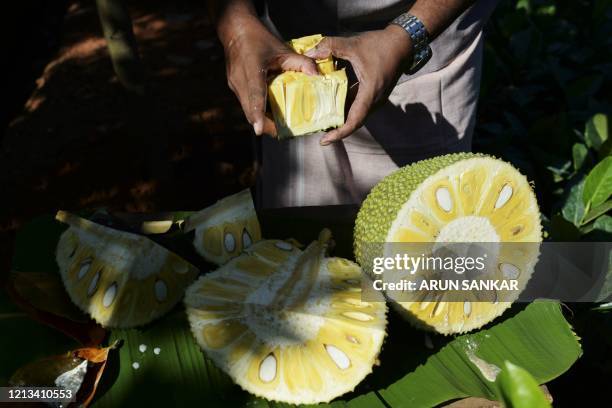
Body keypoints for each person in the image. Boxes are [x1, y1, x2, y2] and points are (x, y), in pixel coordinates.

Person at [212, 0, 498, 208]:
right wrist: (236, 23)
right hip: (285, 48)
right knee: (300, 242)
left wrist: (408, 34)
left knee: (411, 249)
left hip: (423, 45)